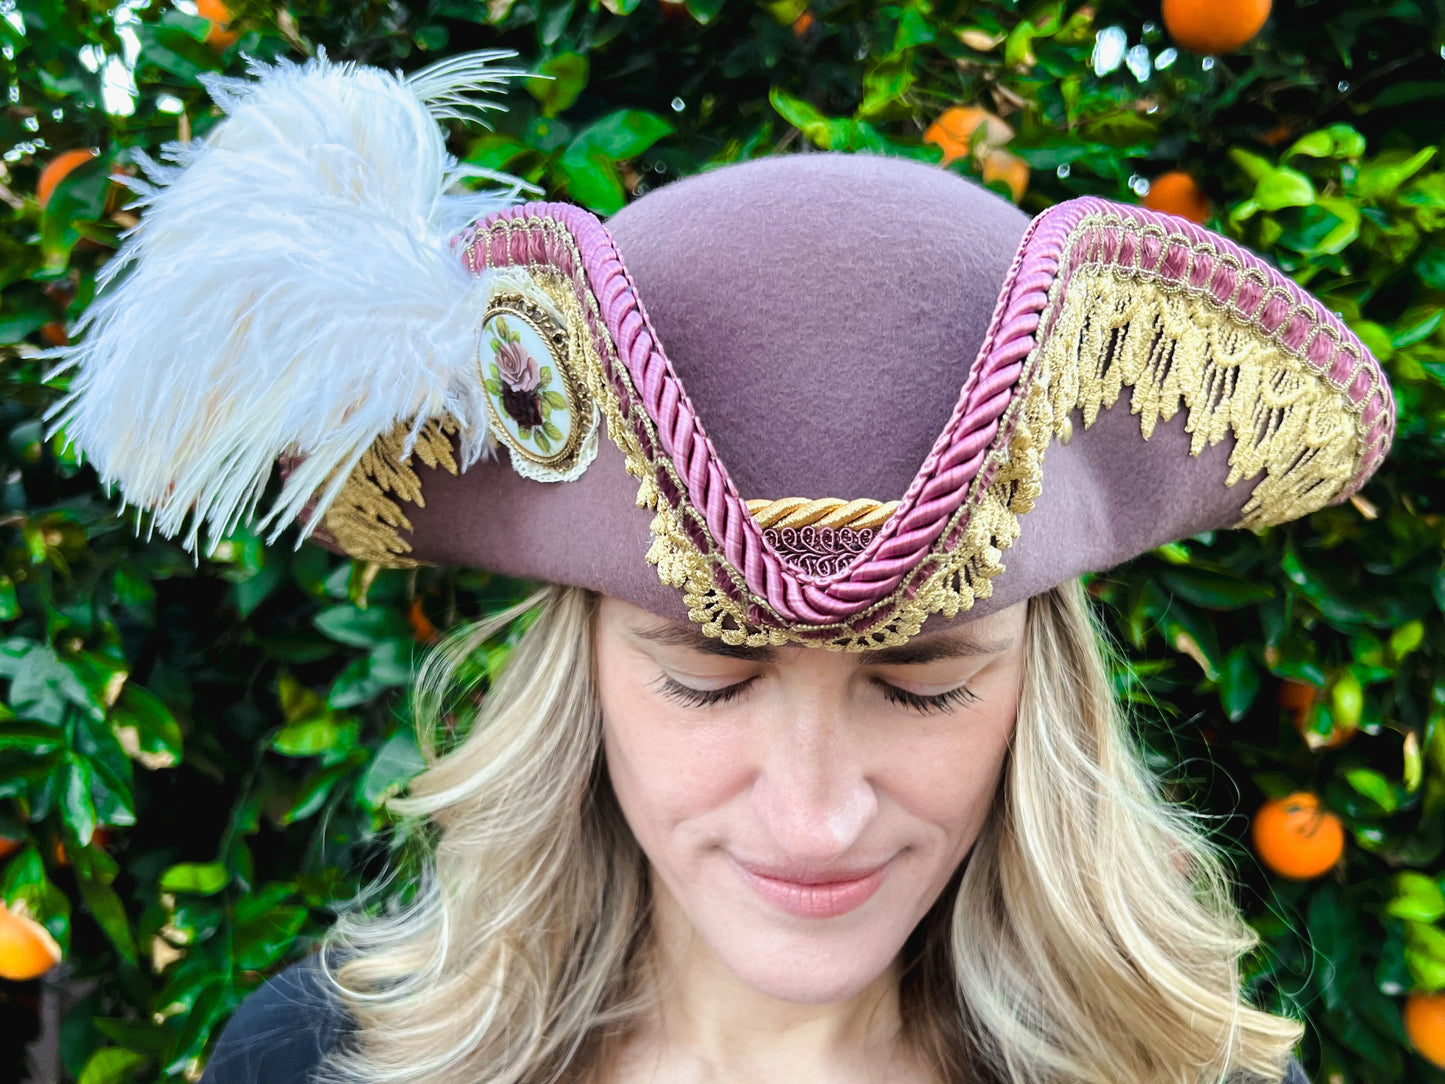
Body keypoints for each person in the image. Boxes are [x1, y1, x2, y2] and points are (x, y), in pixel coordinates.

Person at [52, 50, 1392, 1084]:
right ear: (577, 674)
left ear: (1044, 693)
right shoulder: (315, 1062)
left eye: (921, 686)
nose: (814, 820)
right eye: (705, 682)